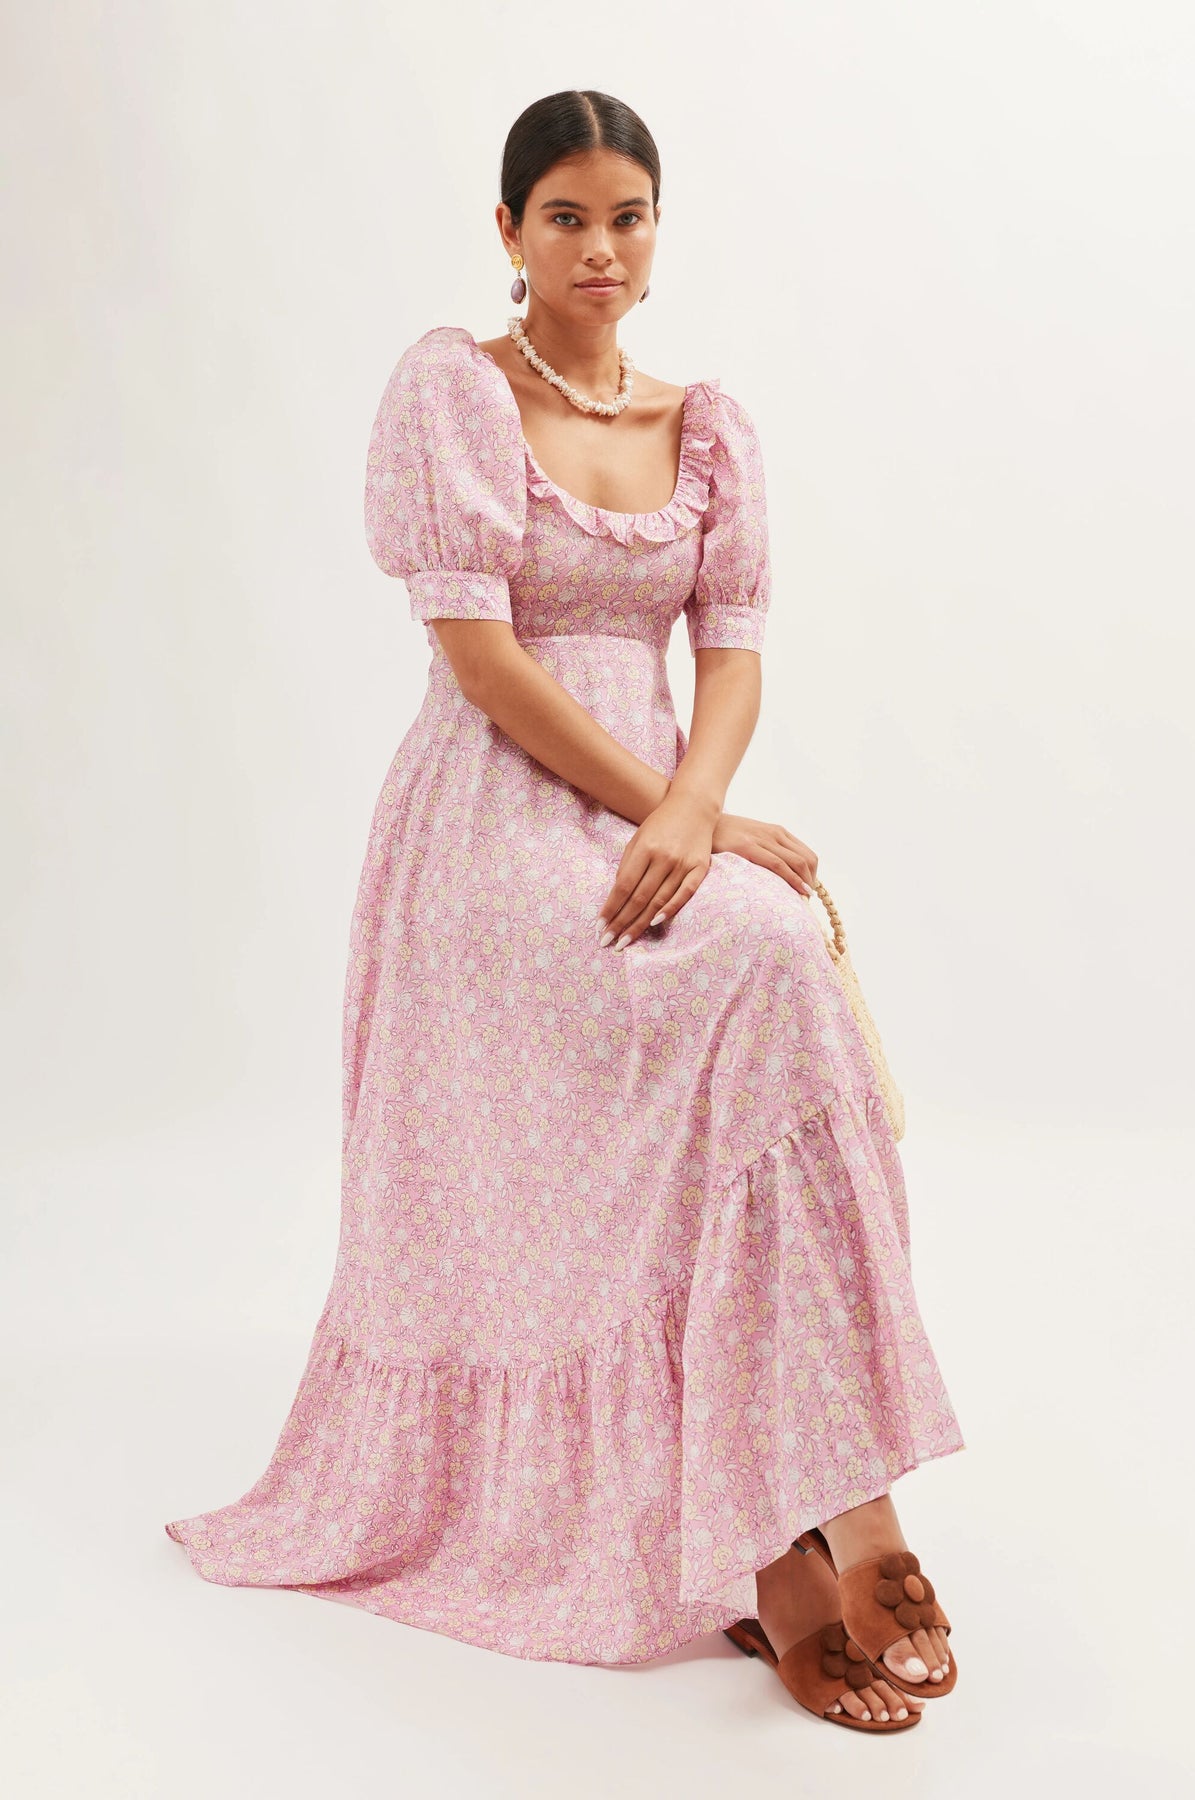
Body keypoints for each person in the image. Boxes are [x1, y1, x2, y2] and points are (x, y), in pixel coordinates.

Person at [164, 89, 965, 1732]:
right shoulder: (456, 392)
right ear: (510, 232)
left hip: (652, 813)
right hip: (495, 827)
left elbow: (731, 660)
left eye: (628, 217)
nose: (602, 249)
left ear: (660, 232)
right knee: (752, 964)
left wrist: (695, 809)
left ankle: (839, 1503)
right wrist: (678, 813)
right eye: (566, 219)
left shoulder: (708, 424)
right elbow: (481, 659)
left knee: (779, 975)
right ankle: (792, 1546)